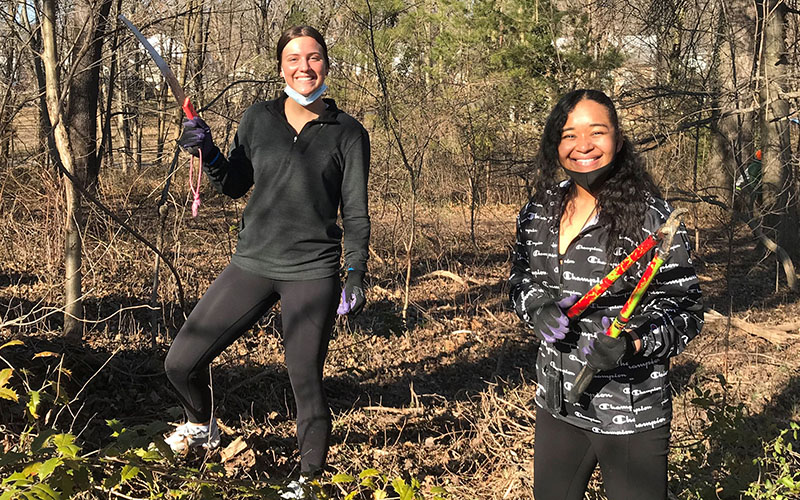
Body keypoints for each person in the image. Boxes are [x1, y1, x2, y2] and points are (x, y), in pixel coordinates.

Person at [162, 25, 370, 483]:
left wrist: (355, 272)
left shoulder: (348, 133)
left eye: (313, 57)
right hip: (251, 262)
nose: (304, 67)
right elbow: (235, 182)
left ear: (327, 65)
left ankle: (308, 480)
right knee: (180, 362)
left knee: (305, 384)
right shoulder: (258, 118)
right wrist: (207, 151)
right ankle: (201, 424)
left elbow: (355, 213)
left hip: (312, 272)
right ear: (281, 67)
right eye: (294, 58)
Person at [508, 89, 703, 500]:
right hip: (557, 402)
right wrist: (536, 307)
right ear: (555, 144)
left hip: (630, 411)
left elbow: (687, 310)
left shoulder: (653, 218)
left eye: (597, 132)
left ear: (617, 138)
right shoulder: (538, 211)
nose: (584, 146)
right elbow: (519, 279)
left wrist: (633, 343)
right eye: (569, 134)